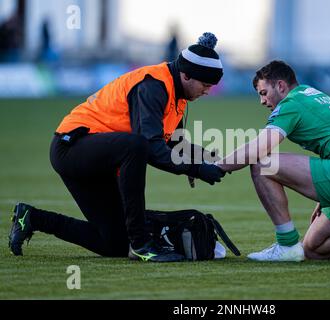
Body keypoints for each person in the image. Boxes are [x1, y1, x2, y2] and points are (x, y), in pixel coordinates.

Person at [8, 32, 226, 262]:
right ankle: (142, 245)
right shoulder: (153, 85)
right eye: (205, 84)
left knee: (114, 243)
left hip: (100, 156)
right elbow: (151, 147)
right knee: (135, 146)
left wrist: (205, 157)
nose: (208, 91)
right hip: (72, 147)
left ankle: (31, 218)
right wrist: (196, 169)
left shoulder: (177, 93)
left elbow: (173, 142)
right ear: (186, 75)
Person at [217, 60, 330, 263]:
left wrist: (216, 167)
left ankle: (286, 245)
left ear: (280, 86)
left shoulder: (292, 103)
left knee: (263, 164)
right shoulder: (311, 94)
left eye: (263, 93)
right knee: (313, 249)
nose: (262, 101)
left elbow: (259, 149)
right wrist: (324, 198)